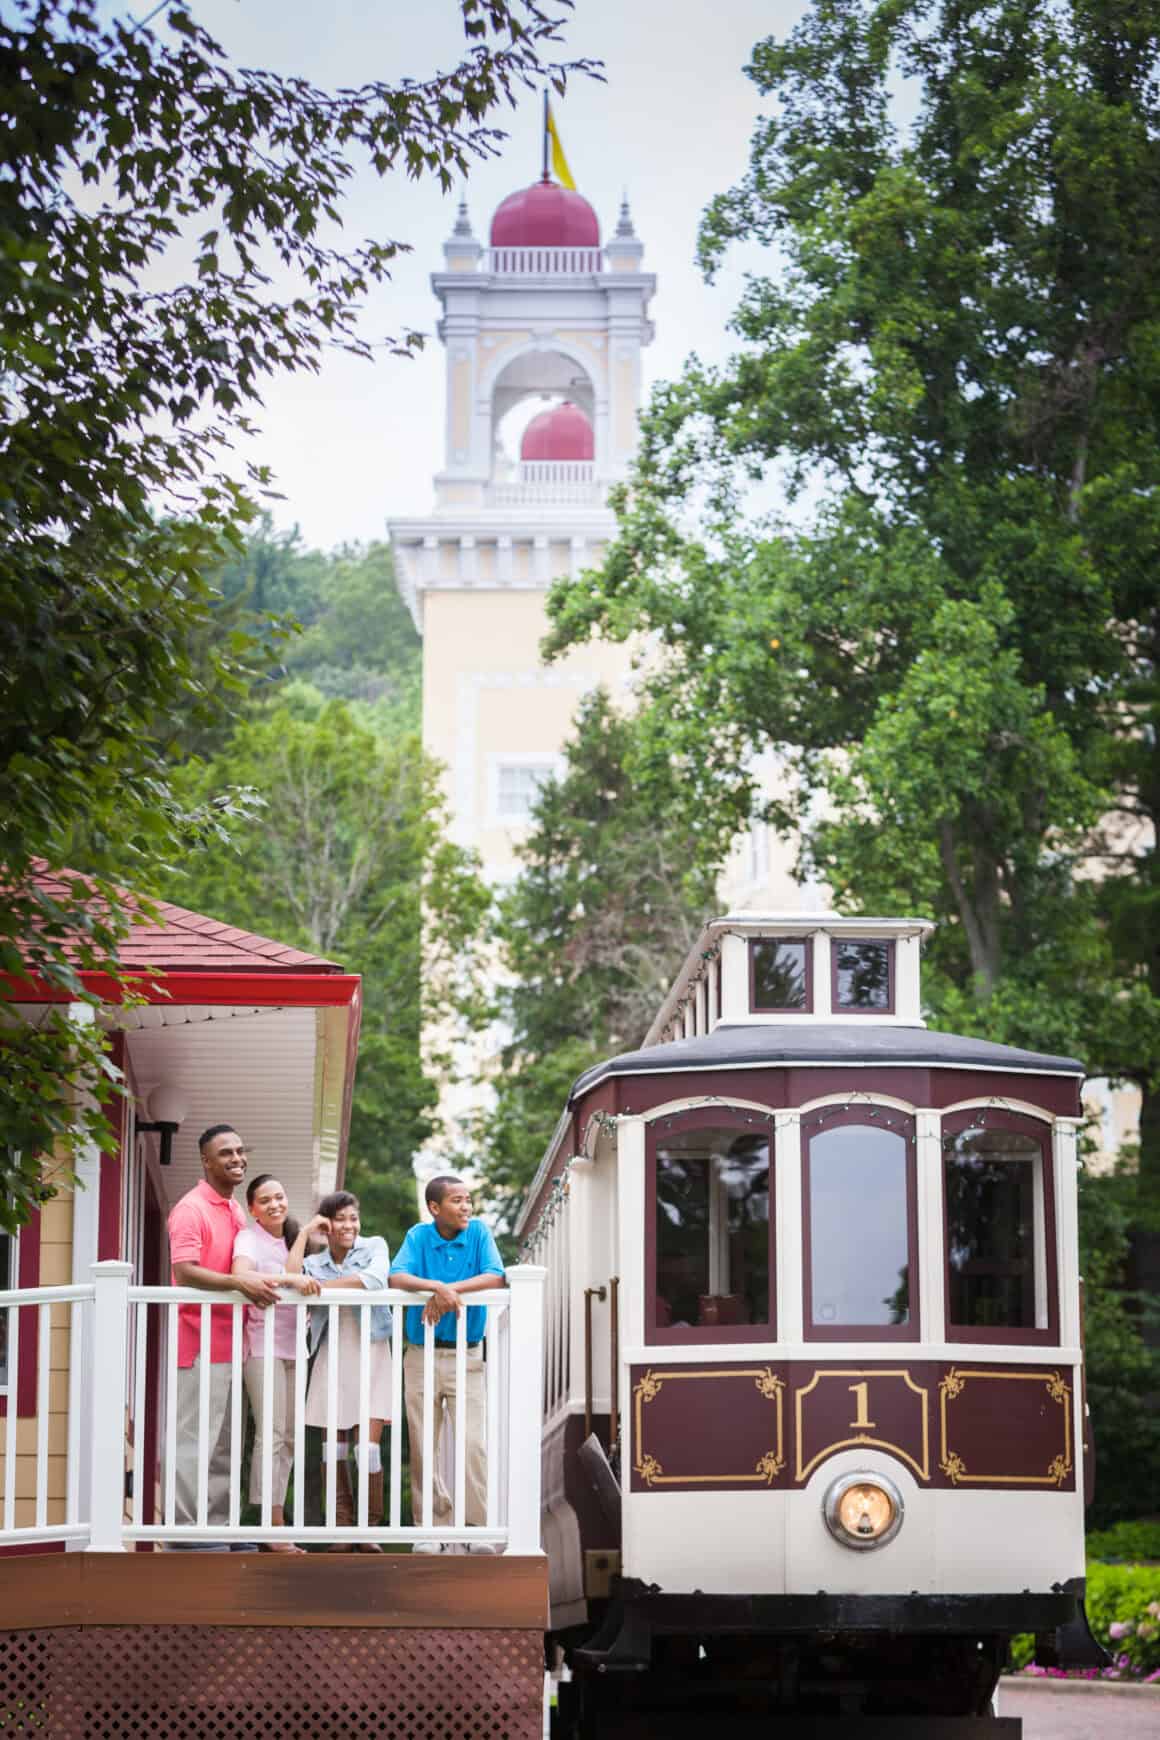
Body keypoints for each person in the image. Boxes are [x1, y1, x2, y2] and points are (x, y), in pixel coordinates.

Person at [167, 1124, 281, 1542]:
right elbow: (184, 1270)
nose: (237, 1159)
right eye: (225, 1153)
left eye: (239, 1151)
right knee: (193, 1440)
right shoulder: (191, 1208)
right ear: (206, 1161)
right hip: (198, 1342)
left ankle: (216, 1527)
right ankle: (184, 1532)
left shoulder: (234, 1210)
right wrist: (238, 1284)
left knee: (225, 1445)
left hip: (235, 1343)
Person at [390, 1175, 505, 1551]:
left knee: (473, 1443)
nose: (467, 1207)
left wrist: (452, 1291)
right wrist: (436, 1287)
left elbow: (496, 1276)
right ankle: (430, 1529)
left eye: (469, 1200)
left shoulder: (479, 1233)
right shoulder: (419, 1236)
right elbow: (396, 1275)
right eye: (458, 1200)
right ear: (435, 1208)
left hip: (466, 1355)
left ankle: (478, 1527)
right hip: (420, 1354)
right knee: (423, 1444)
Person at [231, 1174, 321, 1553]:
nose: (275, 1205)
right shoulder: (248, 1238)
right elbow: (240, 1275)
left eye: (280, 1197)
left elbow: (302, 1276)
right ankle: (269, 1525)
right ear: (253, 1208)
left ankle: (277, 1520)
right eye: (265, 1200)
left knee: (289, 1438)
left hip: (293, 1348)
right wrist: (290, 1281)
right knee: (270, 1433)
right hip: (262, 1346)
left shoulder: (291, 1237)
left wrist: (300, 1239)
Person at [298, 1191, 393, 1551]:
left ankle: (367, 1530)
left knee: (366, 1449)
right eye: (340, 1219)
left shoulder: (374, 1246)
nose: (349, 1225)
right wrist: (306, 1233)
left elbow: (374, 1279)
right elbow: (291, 1278)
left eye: (353, 1218)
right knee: (331, 1450)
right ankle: (341, 1528)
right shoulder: (315, 1260)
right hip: (331, 1354)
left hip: (371, 1353)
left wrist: (318, 1289)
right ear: (326, 1224)